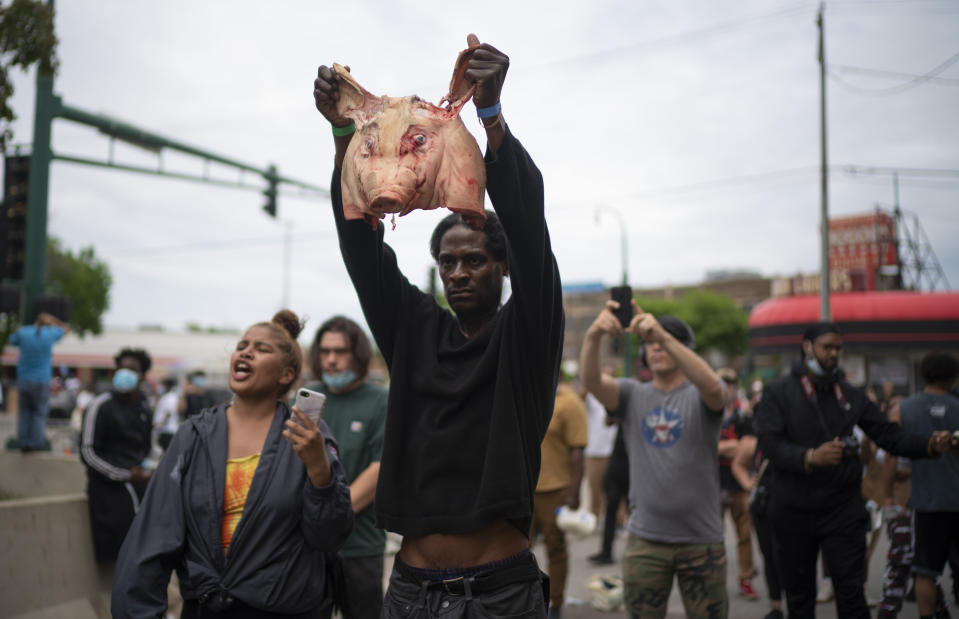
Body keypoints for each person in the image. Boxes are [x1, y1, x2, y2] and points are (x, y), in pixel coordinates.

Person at [314, 33, 564, 618]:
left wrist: (492, 115)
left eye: (474, 259)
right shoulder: (415, 332)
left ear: (503, 268)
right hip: (411, 595)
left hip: (500, 594)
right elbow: (361, 248)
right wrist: (344, 134)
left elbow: (529, 227)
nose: (458, 272)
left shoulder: (527, 337)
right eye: (447, 262)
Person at [112, 310, 354, 617]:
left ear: (286, 375)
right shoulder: (194, 435)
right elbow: (153, 536)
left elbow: (330, 536)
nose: (246, 352)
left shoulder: (308, 437)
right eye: (242, 345)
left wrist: (321, 472)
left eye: (262, 349)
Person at [754, 322, 955, 619]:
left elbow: (889, 435)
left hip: (842, 510)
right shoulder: (778, 391)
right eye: (827, 347)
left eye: (838, 348)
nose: (834, 353)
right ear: (807, 347)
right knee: (799, 597)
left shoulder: (849, 393)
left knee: (851, 593)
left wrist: (930, 445)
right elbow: (770, 444)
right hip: (792, 509)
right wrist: (810, 457)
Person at [581, 302, 729, 619]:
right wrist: (594, 336)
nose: (656, 348)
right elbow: (592, 382)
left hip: (701, 542)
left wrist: (660, 332)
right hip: (646, 542)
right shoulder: (633, 393)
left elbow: (714, 388)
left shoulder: (700, 395)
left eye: (663, 343)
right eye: (650, 344)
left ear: (683, 349)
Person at [304, 315, 388, 619]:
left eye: (340, 351)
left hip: (359, 545)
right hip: (308, 547)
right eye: (325, 351)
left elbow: (380, 469)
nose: (331, 359)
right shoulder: (309, 399)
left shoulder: (380, 400)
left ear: (358, 354)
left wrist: (329, 517)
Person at [896, 352, 959, 619]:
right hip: (957, 500)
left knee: (925, 571)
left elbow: (892, 458)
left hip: (925, 501)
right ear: (953, 377)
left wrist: (888, 497)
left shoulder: (903, 408)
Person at [80, 347, 154, 565]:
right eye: (121, 368)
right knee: (123, 544)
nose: (125, 373)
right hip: (107, 487)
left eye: (132, 369)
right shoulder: (100, 405)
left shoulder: (144, 406)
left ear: (142, 376)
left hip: (139, 481)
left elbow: (146, 447)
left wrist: (146, 469)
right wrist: (124, 474)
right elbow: (87, 452)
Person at [531, 381, 588, 618]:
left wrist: (574, 493)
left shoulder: (569, 403)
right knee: (516, 551)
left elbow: (578, 451)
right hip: (522, 489)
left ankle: (555, 603)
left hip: (555, 490)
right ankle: (524, 601)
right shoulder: (526, 394)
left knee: (556, 549)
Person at [716, 366, 759, 601]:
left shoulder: (744, 417)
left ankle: (746, 579)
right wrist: (731, 446)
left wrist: (721, 449)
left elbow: (748, 448)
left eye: (731, 383)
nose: (727, 388)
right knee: (713, 536)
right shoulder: (708, 413)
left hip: (738, 485)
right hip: (712, 484)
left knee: (744, 535)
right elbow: (704, 449)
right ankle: (715, 580)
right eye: (723, 382)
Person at [732, 434, 784, 619]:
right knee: (769, 555)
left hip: (790, 507)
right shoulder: (755, 441)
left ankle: (794, 604)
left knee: (790, 557)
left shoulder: (792, 437)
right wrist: (748, 483)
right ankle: (776, 605)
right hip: (763, 507)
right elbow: (737, 464)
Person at [8, 311, 69, 451]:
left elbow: (12, 340)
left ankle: (23, 441)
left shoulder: (24, 332)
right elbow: (65, 330)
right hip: (42, 380)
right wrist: (53, 319)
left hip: (24, 379)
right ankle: (35, 443)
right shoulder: (50, 333)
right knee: (39, 413)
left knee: (24, 412)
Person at [583, 367, 618, 522]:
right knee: (595, 488)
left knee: (614, 489)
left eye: (610, 376)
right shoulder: (591, 396)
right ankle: (595, 518)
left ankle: (617, 519)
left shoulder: (617, 396)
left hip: (613, 451)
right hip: (595, 451)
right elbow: (581, 395)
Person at [153, 376, 179, 452]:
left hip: (167, 431)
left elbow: (169, 413)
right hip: (164, 430)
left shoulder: (171, 397)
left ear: (167, 385)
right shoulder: (165, 397)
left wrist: (160, 424)